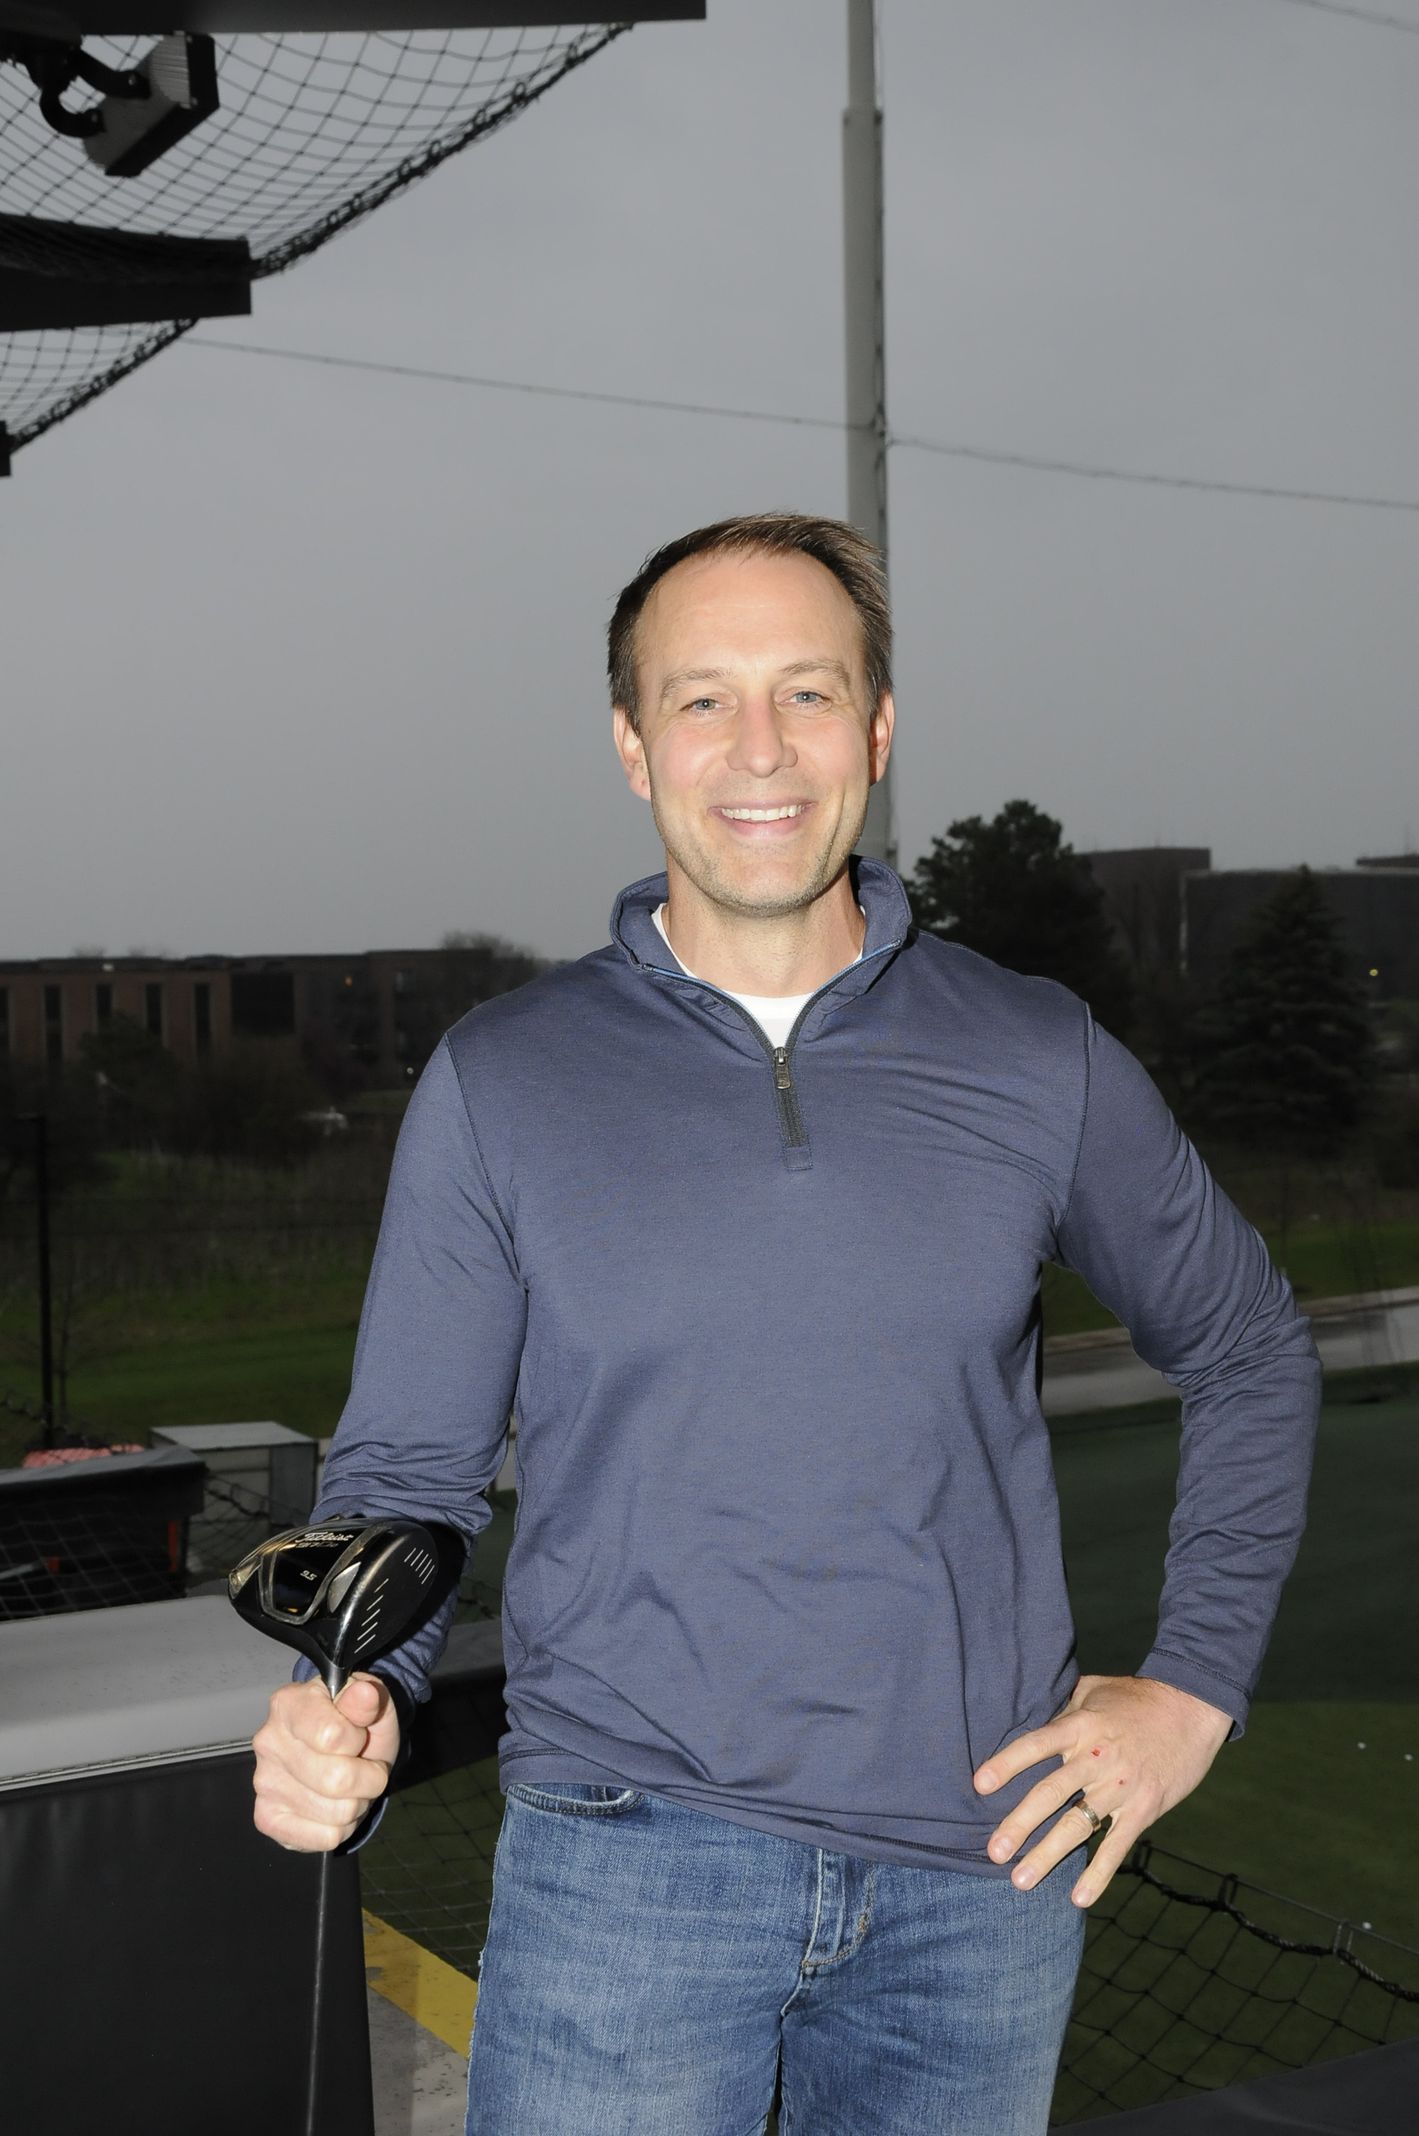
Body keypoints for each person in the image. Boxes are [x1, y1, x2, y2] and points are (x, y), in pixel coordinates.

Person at [249, 512, 1321, 2135]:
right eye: (702, 699)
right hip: (625, 1865)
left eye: (809, 694)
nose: (760, 749)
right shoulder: (502, 1078)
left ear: (877, 733)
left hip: (981, 1878)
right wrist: (360, 1692)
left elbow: (1249, 1350)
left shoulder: (1040, 1056)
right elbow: (410, 1463)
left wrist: (1192, 1690)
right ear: (631, 743)